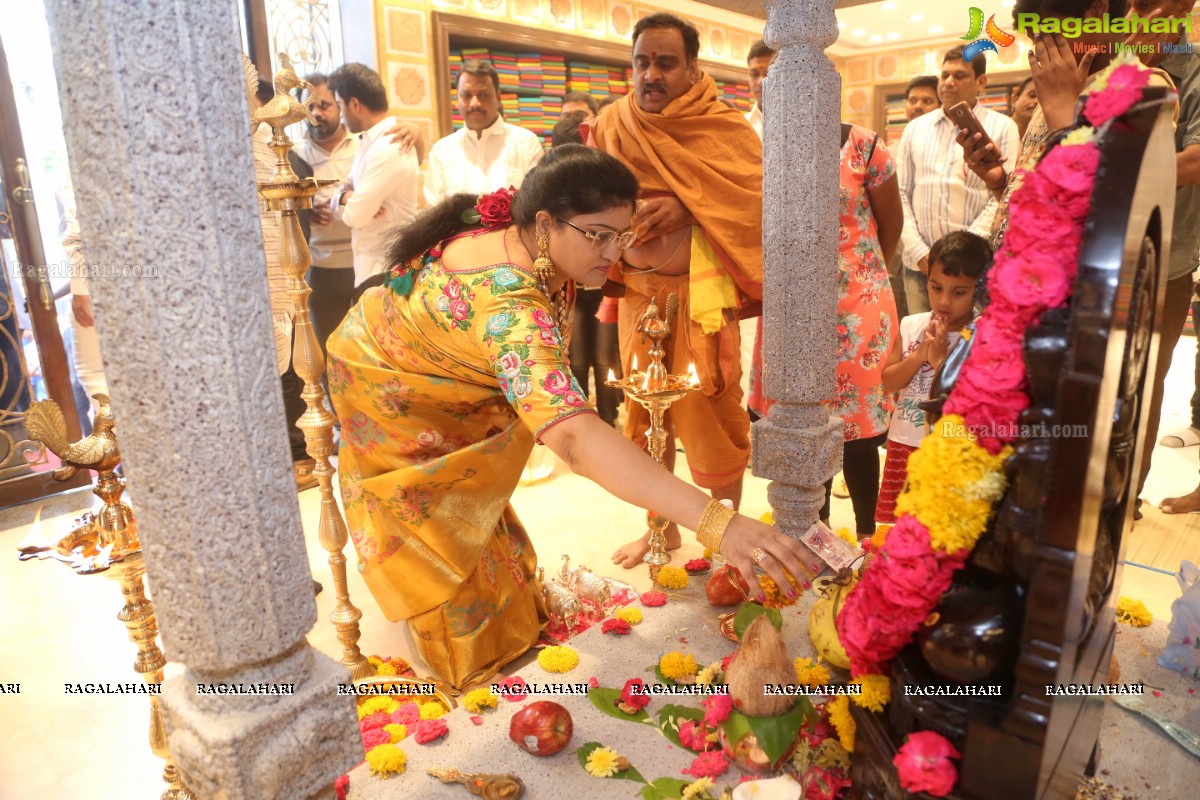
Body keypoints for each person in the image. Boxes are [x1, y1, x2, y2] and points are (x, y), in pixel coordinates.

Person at [326, 145, 821, 688]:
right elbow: (576, 439)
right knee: (441, 548)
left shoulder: (533, 240)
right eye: (598, 235)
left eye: (622, 234)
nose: (615, 253)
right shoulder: (507, 305)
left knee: (487, 538)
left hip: (430, 370)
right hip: (393, 397)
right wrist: (716, 523)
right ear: (544, 222)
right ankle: (471, 686)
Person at [590, 13, 763, 567]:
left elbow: (759, 207)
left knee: (712, 417)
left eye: (666, 62)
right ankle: (660, 529)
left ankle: (723, 535)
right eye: (642, 62)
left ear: (694, 67)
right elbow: (588, 198)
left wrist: (688, 207)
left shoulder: (726, 129)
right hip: (639, 298)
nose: (651, 74)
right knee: (644, 417)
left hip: (701, 301)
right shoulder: (613, 122)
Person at [751, 121, 903, 537]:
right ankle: (814, 534)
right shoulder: (770, 146)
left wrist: (860, 276)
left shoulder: (866, 148)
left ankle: (868, 534)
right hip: (790, 301)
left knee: (856, 432)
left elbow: (891, 227)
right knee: (803, 420)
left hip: (858, 305)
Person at [876, 231, 990, 524]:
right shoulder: (912, 325)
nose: (944, 301)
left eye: (958, 292)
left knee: (937, 529)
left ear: (979, 290)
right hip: (904, 442)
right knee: (896, 526)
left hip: (948, 449)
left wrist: (940, 360)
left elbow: (969, 402)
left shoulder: (981, 336)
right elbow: (888, 382)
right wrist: (919, 356)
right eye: (936, 287)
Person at [897, 46, 1019, 316]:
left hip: (972, 265)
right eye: (945, 75)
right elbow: (901, 193)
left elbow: (1003, 196)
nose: (949, 82)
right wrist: (920, 252)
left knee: (970, 347)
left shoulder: (1003, 127)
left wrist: (958, 252)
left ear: (981, 81)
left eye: (960, 76)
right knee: (922, 345)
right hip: (919, 265)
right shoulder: (915, 128)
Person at [328, 63, 419, 288]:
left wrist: (349, 201)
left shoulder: (390, 144)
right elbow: (340, 194)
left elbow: (354, 217)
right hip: (372, 268)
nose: (341, 114)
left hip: (387, 269)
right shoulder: (370, 142)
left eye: (340, 105)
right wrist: (344, 198)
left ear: (355, 104)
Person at [423, 60, 545, 207]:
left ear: (498, 98)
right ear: (457, 100)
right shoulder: (442, 152)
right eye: (466, 95)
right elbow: (433, 211)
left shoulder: (525, 143)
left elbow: (536, 205)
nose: (475, 103)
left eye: (483, 94)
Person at [294, 74, 358, 354]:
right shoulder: (293, 156)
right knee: (330, 353)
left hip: (364, 265)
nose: (316, 113)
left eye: (324, 104)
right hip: (320, 271)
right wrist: (306, 213)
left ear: (340, 105)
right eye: (308, 107)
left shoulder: (363, 146)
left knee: (368, 351)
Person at [744, 38, 777, 139]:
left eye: (768, 74)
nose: (760, 82)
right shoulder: (741, 126)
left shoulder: (806, 124)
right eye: (754, 74)